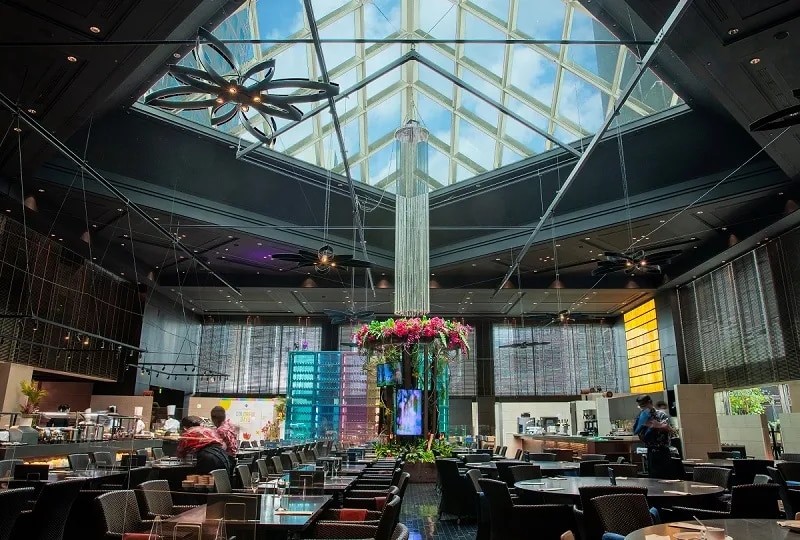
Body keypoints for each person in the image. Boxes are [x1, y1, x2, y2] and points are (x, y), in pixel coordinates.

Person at [633, 394, 673, 479]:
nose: (642, 408)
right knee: (653, 478)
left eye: (644, 405)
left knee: (666, 478)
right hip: (650, 451)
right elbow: (639, 432)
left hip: (662, 451)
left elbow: (670, 430)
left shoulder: (661, 415)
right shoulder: (642, 416)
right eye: (640, 406)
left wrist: (657, 425)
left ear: (650, 402)